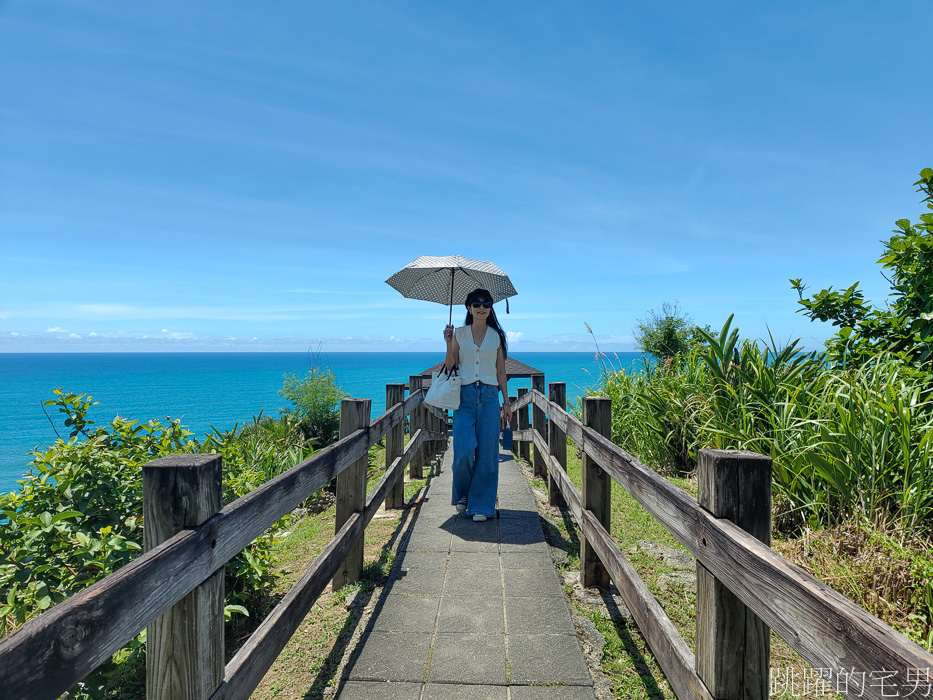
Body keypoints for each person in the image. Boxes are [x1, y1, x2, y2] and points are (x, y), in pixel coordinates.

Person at [443, 288, 512, 522]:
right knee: (463, 449)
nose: (481, 307)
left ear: (491, 307)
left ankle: (481, 505)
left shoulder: (497, 336)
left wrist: (506, 401)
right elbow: (451, 364)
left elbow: (501, 371)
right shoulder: (459, 334)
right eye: (476, 303)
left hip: (491, 396)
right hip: (465, 395)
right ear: (469, 307)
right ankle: (463, 495)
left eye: (486, 303)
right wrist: (448, 342)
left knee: (488, 452)